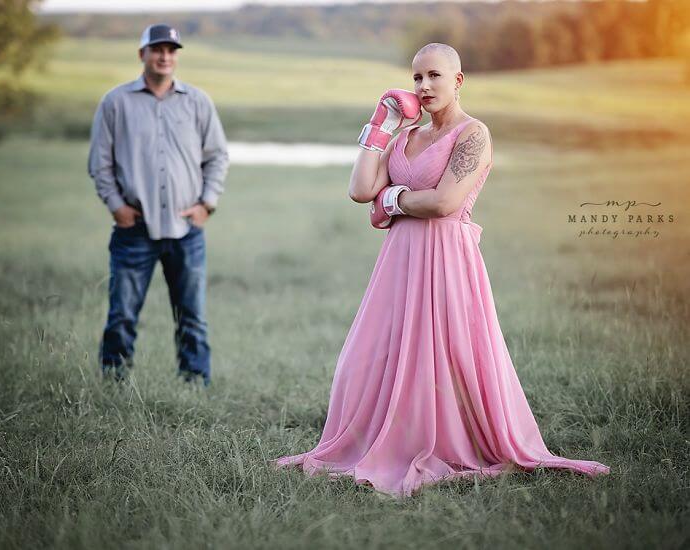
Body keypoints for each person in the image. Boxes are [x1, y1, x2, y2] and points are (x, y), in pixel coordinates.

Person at [275, 43, 610, 496]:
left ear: (458, 80)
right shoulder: (404, 136)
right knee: (372, 355)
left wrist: (390, 199)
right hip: (399, 260)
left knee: (448, 354)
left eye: (434, 75)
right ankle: (383, 437)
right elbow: (358, 190)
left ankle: (452, 441)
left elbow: (444, 202)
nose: (424, 86)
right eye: (416, 77)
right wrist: (379, 127)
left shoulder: (474, 134)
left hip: (448, 259)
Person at [87, 24, 229, 386]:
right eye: (157, 49)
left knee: (192, 315)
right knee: (122, 315)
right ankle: (114, 383)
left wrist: (206, 205)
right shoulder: (115, 102)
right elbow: (100, 163)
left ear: (176, 55)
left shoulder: (198, 102)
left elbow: (217, 157)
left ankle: (194, 384)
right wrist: (117, 206)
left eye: (171, 50)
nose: (165, 56)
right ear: (142, 55)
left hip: (187, 230)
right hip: (135, 230)